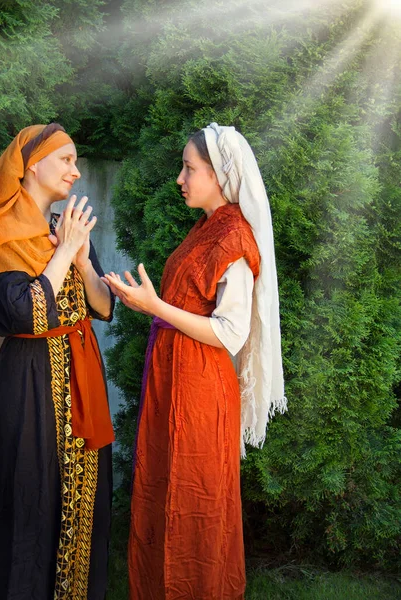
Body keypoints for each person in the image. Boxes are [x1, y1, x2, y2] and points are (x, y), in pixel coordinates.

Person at [103, 123, 287, 600]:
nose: (180, 178)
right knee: (165, 491)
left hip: (201, 391)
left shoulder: (234, 239)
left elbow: (230, 332)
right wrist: (140, 298)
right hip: (174, 382)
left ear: (220, 175)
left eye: (189, 168)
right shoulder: (207, 227)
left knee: (197, 503)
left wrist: (154, 306)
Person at [0, 123, 115, 600]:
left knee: (82, 502)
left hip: (81, 381)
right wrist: (66, 251)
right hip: (30, 384)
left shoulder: (63, 227)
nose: (76, 170)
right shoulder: (4, 235)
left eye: (76, 161)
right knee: (32, 498)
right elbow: (21, 315)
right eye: (66, 160)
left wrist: (83, 260)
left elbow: (103, 307)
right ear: (33, 166)